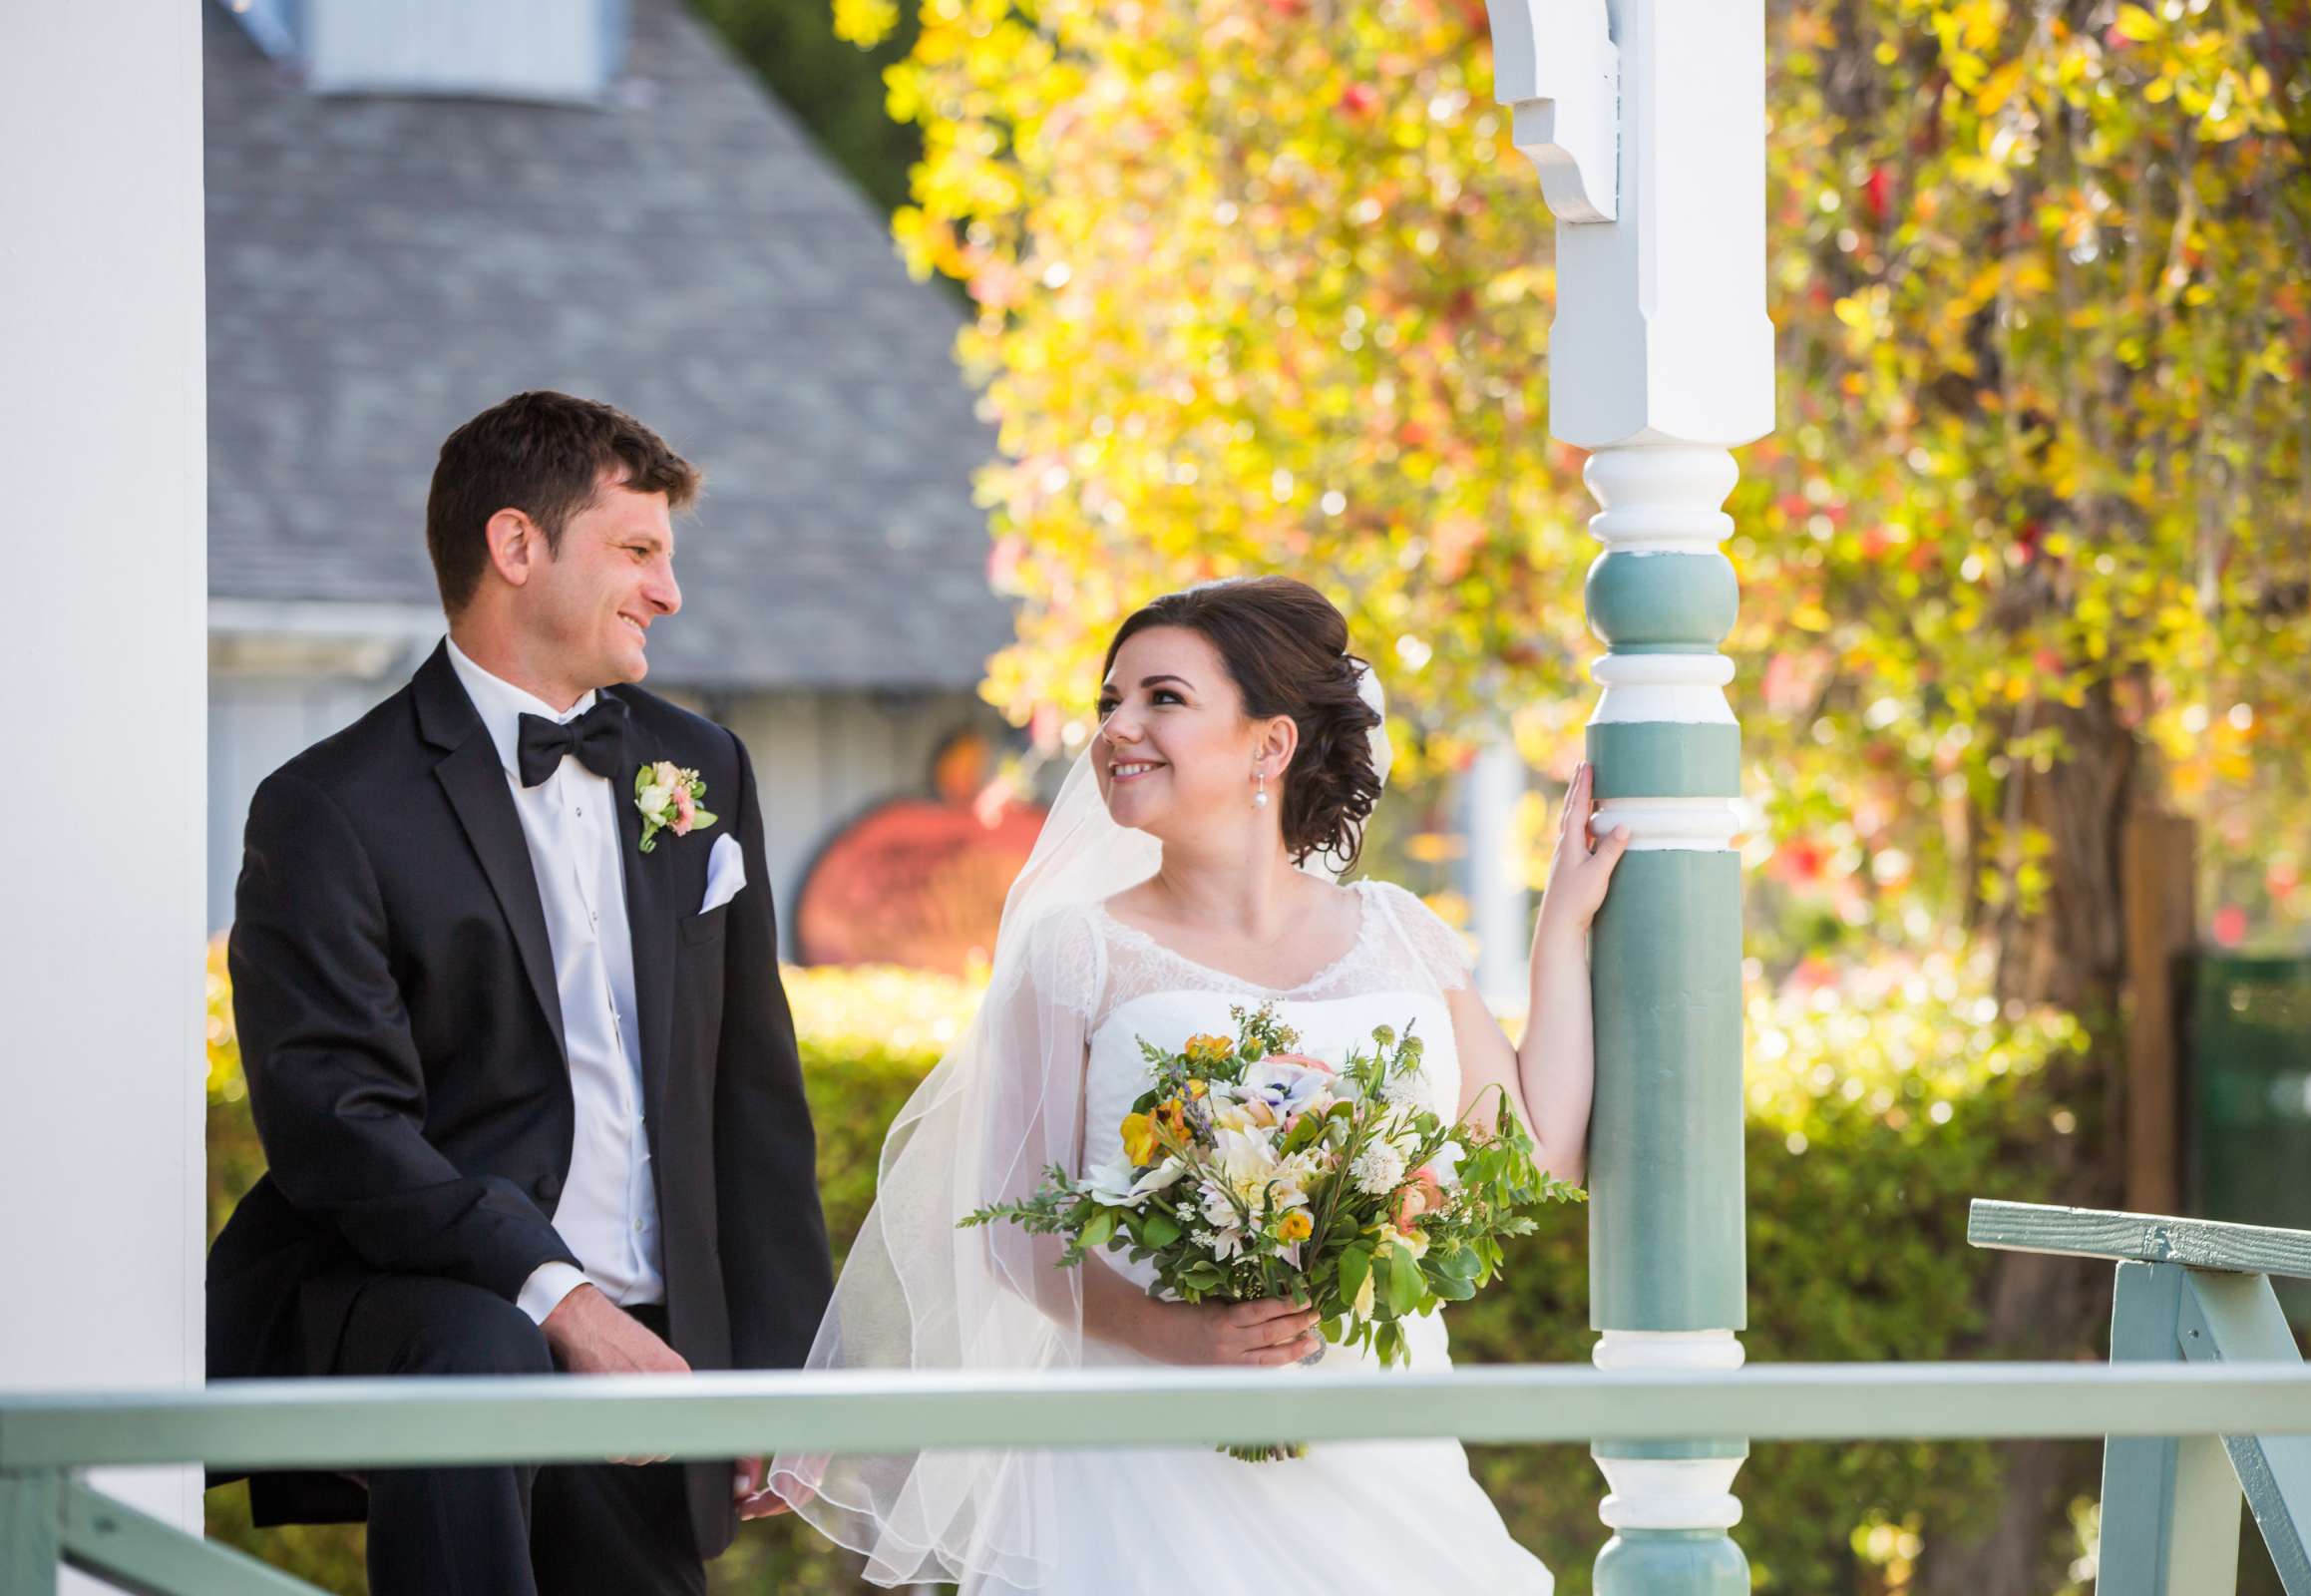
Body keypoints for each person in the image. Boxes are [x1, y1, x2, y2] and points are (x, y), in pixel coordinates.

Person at [775, 575, 1628, 1592]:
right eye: (1109, 703)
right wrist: (1185, 1336)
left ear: (1270, 745)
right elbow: (1016, 1235)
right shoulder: (1075, 953)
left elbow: (1538, 1151)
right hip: (1144, 1469)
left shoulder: (1402, 932)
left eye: (1162, 698)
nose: (1118, 729)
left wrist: (1561, 927)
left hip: (1380, 1453)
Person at [206, 390, 834, 1595]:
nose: (669, 591)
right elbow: (338, 1124)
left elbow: (751, 1085)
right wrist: (564, 1302)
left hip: (659, 1344)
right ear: (516, 547)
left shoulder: (701, 768)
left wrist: (777, 1366)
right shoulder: (328, 807)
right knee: (481, 1352)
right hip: (441, 1316)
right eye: (638, 551)